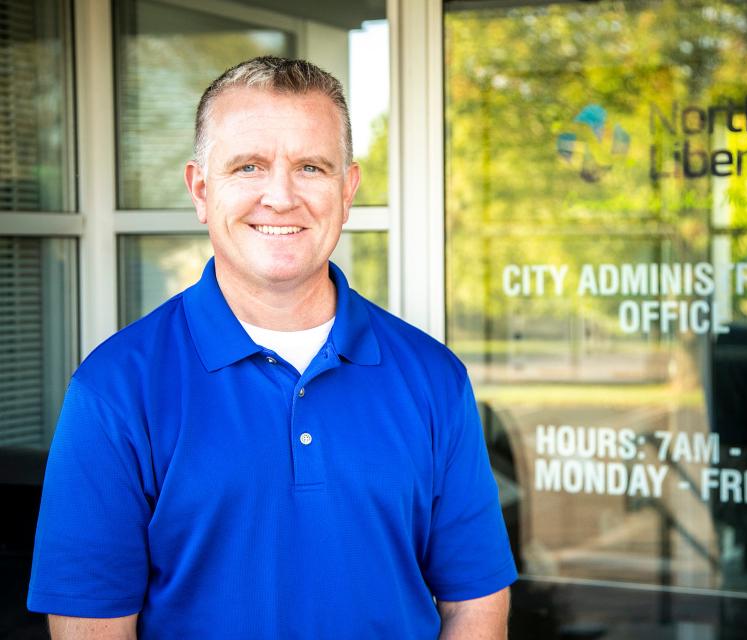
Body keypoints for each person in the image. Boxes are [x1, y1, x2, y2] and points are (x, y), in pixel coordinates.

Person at [27, 56, 516, 639]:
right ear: (201, 190)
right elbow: (91, 626)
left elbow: (476, 603)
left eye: (311, 166)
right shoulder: (114, 390)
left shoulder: (434, 378)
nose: (280, 197)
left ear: (347, 188)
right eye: (249, 166)